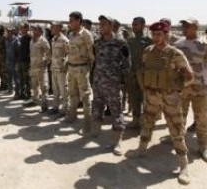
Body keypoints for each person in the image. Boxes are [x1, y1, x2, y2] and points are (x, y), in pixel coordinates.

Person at [126, 21, 194, 185]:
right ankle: (142, 149)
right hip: (151, 95)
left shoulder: (175, 54)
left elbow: (189, 76)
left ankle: (183, 166)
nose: (156, 37)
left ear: (166, 35)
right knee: (147, 122)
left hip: (170, 97)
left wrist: (177, 90)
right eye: (153, 34)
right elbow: (144, 70)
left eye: (159, 34)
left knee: (176, 129)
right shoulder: (148, 51)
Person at [176, 18, 207, 163]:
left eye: (187, 26)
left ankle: (203, 147)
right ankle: (178, 141)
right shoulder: (178, 44)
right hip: (182, 89)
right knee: (179, 117)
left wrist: (203, 79)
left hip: (200, 89)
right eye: (183, 26)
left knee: (202, 118)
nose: (184, 28)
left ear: (195, 27)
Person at [89, 15, 130, 156]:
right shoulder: (97, 42)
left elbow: (126, 65)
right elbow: (96, 61)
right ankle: (95, 131)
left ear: (112, 26)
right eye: (100, 24)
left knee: (116, 112)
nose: (101, 26)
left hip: (113, 84)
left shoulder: (121, 43)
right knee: (97, 106)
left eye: (104, 24)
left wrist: (122, 82)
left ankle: (117, 141)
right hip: (98, 82)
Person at [65, 12, 94, 129]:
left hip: (82, 68)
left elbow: (92, 53)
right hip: (71, 67)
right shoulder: (71, 35)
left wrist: (90, 68)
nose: (69, 23)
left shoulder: (86, 34)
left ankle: (88, 121)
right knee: (72, 93)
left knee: (85, 96)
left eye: (71, 20)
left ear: (78, 21)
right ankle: (72, 115)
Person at [126, 17, 152, 129]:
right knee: (133, 97)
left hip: (144, 74)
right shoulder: (129, 40)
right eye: (133, 24)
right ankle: (135, 120)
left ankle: (146, 121)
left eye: (136, 24)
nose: (133, 26)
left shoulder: (149, 41)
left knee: (146, 98)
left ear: (143, 25)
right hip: (132, 74)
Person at [24, 25, 51, 111]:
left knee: (44, 87)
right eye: (32, 30)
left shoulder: (43, 41)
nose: (33, 32)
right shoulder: (32, 40)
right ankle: (34, 100)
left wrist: (44, 63)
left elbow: (49, 54)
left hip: (41, 68)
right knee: (34, 86)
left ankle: (44, 105)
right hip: (33, 67)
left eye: (35, 30)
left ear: (40, 31)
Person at [50, 21, 69, 116]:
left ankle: (65, 109)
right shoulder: (53, 39)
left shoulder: (64, 40)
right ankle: (55, 107)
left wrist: (64, 66)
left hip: (61, 69)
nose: (51, 28)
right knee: (55, 90)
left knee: (63, 90)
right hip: (54, 68)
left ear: (59, 28)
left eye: (53, 27)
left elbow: (68, 55)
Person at [17, 23, 32, 100]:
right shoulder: (21, 38)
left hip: (26, 62)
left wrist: (28, 60)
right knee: (21, 78)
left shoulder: (30, 38)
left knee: (27, 79)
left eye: (22, 28)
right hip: (20, 61)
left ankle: (28, 95)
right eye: (20, 28)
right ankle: (21, 93)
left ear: (26, 28)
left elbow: (31, 50)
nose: (21, 29)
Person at [5, 27, 19, 97]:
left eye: (9, 32)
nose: (8, 33)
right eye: (7, 32)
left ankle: (17, 92)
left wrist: (17, 63)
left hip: (14, 62)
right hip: (8, 61)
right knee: (9, 77)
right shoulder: (7, 40)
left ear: (12, 32)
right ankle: (10, 89)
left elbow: (18, 53)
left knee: (15, 78)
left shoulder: (16, 40)